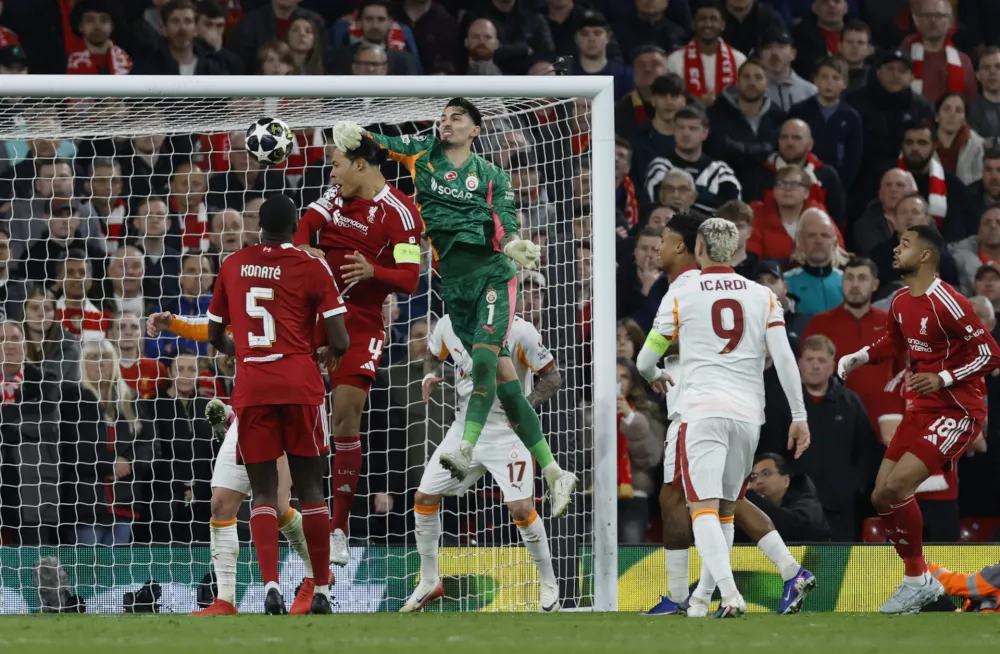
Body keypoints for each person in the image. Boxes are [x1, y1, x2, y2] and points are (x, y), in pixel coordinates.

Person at [339, 99, 577, 514]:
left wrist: (511, 245)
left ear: (476, 130)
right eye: (443, 117)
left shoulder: (492, 176)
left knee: (484, 361)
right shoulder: (421, 151)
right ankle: (555, 472)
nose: (446, 123)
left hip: (492, 274)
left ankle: (465, 447)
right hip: (452, 282)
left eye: (457, 118)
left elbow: (504, 220)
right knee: (504, 375)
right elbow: (378, 141)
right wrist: (351, 131)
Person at [640, 213, 815, 618]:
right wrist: (799, 413)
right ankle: (701, 598)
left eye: (665, 240)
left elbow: (648, 357)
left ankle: (728, 596)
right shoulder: (762, 294)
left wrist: (652, 373)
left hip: (698, 409)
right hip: (749, 414)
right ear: (736, 250)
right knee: (723, 506)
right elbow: (785, 356)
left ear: (697, 248)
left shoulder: (682, 292)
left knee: (702, 506)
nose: (659, 246)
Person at [838, 224, 1000, 614]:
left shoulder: (950, 301)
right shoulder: (898, 301)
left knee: (896, 487)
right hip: (922, 410)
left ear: (926, 256)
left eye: (905, 245)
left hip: (959, 410)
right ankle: (921, 580)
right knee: (880, 495)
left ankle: (916, 579)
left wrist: (943, 377)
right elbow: (894, 342)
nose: (897, 250)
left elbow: (991, 354)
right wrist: (861, 356)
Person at [205, 195, 350, 615]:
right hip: (300, 385)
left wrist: (239, 349)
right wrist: (324, 353)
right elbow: (340, 339)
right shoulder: (311, 266)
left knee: (264, 492)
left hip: (253, 387)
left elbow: (215, 335)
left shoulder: (234, 264)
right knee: (310, 491)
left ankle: (270, 584)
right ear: (295, 226)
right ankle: (321, 588)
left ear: (259, 225)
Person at [292, 133, 422, 567]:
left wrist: (373, 270)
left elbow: (408, 279)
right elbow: (305, 226)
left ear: (360, 166)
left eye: (336, 165)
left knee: (346, 419)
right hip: (312, 315)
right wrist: (306, 247)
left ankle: (339, 527)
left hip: (361, 321)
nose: (331, 173)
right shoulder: (335, 195)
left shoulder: (401, 213)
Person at [405, 311, 563, 612]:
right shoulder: (449, 323)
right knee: (424, 497)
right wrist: (429, 374)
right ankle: (429, 580)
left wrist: (524, 407)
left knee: (521, 509)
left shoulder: (520, 330)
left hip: (509, 433)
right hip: (465, 429)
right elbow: (433, 355)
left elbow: (553, 377)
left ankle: (548, 584)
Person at [803, 257, 901, 441]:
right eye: (849, 278)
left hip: (884, 420)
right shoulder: (820, 323)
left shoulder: (891, 323)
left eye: (862, 278)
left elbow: (902, 372)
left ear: (875, 284)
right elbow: (806, 372)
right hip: (837, 418)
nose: (854, 284)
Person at [741, 118, 847, 226]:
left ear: (810, 144)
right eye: (784, 137)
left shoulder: (827, 175)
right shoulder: (759, 174)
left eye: (796, 138)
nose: (789, 142)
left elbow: (838, 220)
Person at [641, 105, 742, 214]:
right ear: (674, 131)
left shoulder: (720, 171)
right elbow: (656, 208)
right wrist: (710, 200)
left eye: (693, 128)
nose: (686, 133)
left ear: (705, 133)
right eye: (680, 128)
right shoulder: (659, 167)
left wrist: (681, 202)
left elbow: (733, 212)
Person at [787, 56, 863, 190]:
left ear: (845, 83)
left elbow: (853, 158)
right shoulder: (800, 111)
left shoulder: (851, 117)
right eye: (824, 77)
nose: (829, 83)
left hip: (838, 185)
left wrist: (840, 185)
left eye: (836, 78)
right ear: (815, 80)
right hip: (801, 182)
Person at [664, 0, 746, 108]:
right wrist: (697, 101)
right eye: (702, 19)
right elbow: (670, 99)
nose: (708, 24)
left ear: (722, 25)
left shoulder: (739, 60)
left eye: (713, 19)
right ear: (693, 24)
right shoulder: (675, 59)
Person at [901, 0, 977, 104]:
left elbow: (972, 104)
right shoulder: (903, 55)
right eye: (927, 15)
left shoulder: (963, 61)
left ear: (950, 21)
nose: (933, 21)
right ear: (916, 19)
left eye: (939, 15)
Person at [745, 452, 830, 542]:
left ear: (786, 480)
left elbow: (794, 529)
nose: (758, 481)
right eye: (753, 477)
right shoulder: (750, 506)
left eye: (766, 473)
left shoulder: (808, 504)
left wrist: (751, 497)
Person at [784, 208, 847, 320]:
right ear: (800, 242)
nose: (818, 241)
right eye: (811, 235)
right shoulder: (786, 284)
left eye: (825, 235)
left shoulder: (847, 282)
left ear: (834, 242)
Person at [761, 27, 817, 112]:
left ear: (793, 54)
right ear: (760, 55)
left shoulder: (810, 92)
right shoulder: (754, 92)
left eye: (781, 47)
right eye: (768, 47)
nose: (774, 52)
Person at [935, 92, 985, 185]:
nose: (952, 115)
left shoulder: (976, 145)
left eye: (958, 111)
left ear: (964, 121)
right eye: (946, 109)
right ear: (937, 116)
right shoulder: (923, 141)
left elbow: (979, 180)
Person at [967, 48, 1000, 150]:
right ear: (978, 75)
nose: (992, 72)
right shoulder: (971, 110)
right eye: (986, 68)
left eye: (998, 67)